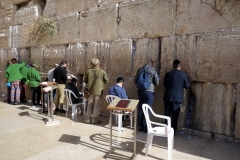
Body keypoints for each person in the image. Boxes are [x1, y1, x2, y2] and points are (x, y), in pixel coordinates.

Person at [163, 59, 190, 134]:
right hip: (177, 98)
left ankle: (166, 131)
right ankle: (173, 131)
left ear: (173, 66)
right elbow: (187, 86)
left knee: (167, 115)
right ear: (180, 66)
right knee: (175, 116)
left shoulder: (168, 74)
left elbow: (164, 84)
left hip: (168, 97)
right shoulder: (183, 75)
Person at [134, 60, 159, 132]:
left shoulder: (139, 69)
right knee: (147, 109)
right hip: (149, 91)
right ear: (152, 64)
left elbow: (135, 81)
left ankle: (140, 126)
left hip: (140, 91)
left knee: (141, 108)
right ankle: (146, 127)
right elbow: (157, 82)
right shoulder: (153, 70)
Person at [84, 58, 109, 124]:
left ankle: (88, 119)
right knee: (97, 105)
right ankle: (94, 119)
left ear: (91, 64)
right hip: (99, 90)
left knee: (89, 104)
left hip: (90, 90)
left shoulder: (88, 71)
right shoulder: (102, 71)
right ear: (98, 64)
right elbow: (107, 80)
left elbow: (85, 80)